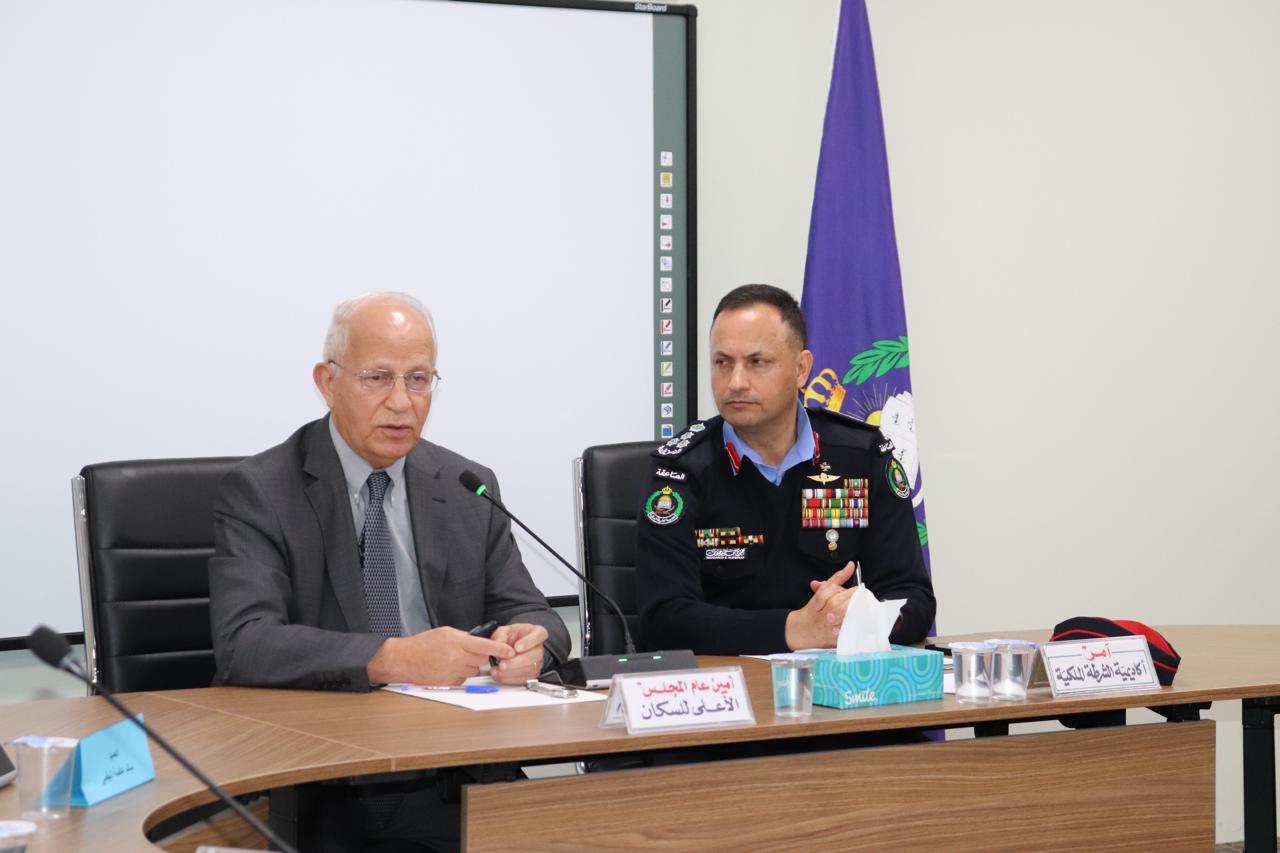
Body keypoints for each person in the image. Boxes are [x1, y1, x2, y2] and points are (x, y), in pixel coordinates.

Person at [209, 291, 570, 690]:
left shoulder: (466, 488)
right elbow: (245, 642)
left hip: (453, 719)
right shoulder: (263, 490)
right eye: (376, 378)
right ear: (328, 383)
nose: (401, 402)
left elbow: (537, 616)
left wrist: (530, 648)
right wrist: (393, 659)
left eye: (418, 379)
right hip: (331, 719)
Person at [637, 284, 935, 655]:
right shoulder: (680, 472)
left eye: (757, 362)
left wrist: (864, 615)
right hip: (728, 682)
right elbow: (662, 621)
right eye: (722, 362)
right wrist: (792, 629)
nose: (735, 382)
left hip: (837, 680)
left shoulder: (862, 456)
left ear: (801, 369)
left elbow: (915, 600)